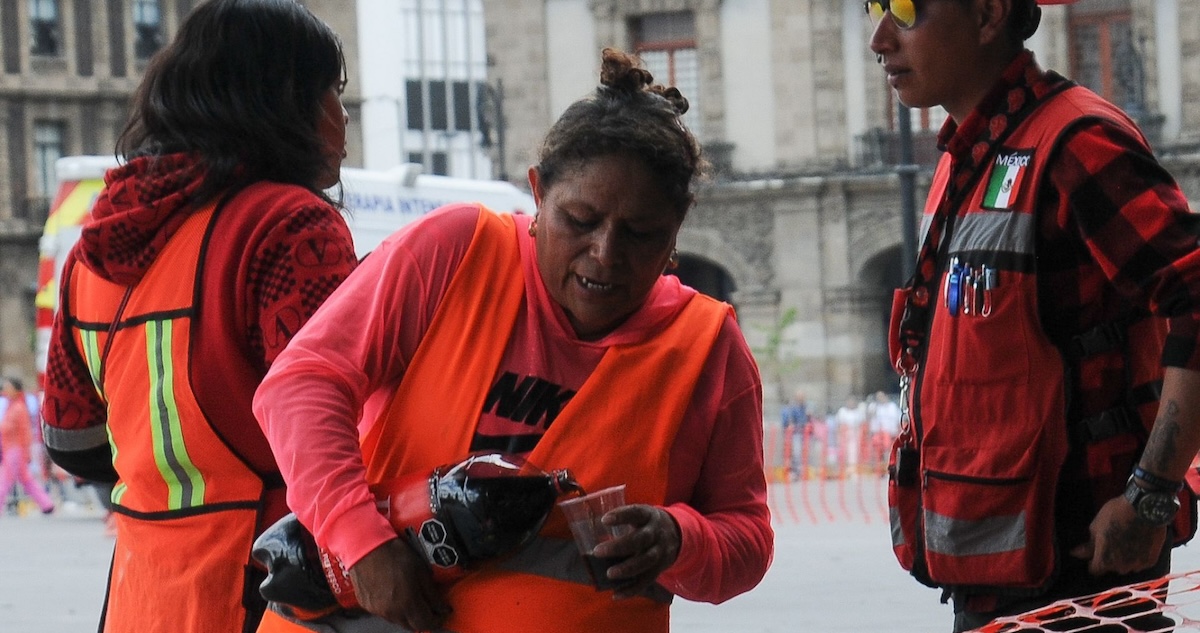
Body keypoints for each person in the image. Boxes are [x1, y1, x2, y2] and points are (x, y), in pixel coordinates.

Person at [252, 47, 774, 633]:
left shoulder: (707, 346)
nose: (605, 254)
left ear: (677, 229)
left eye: (641, 234)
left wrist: (681, 539)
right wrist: (361, 542)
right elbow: (302, 384)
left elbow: (747, 537)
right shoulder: (456, 252)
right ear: (538, 193)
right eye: (580, 221)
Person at [868, 0, 1200, 630]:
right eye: (874, 7)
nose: (880, 38)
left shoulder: (1079, 143)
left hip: (1081, 575)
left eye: (905, 9)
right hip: (992, 578)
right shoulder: (966, 157)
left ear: (988, 15)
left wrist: (1151, 494)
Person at [39, 1, 358, 631]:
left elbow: (69, 439)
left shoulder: (93, 250)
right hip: (265, 594)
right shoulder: (289, 227)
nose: (343, 115)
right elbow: (343, 426)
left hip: (139, 598)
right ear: (284, 100)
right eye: (333, 91)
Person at [0, 377, 55, 516]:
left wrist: (27, 453)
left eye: (8, 387)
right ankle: (46, 504)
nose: (5, 389)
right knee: (26, 480)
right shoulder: (11, 406)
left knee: (4, 479)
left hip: (16, 449)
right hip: (10, 449)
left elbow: (26, 432)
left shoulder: (19, 408)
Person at [781, 389, 810, 478]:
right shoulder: (794, 408)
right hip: (796, 434)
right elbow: (791, 421)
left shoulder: (805, 407)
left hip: (804, 433)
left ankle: (800, 472)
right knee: (796, 453)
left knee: (802, 453)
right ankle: (795, 472)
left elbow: (806, 419)